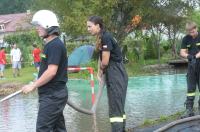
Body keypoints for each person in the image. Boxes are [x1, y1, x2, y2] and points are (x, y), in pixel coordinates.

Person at [21, 10, 68, 132]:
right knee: (59, 129)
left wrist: (33, 85)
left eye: (39, 25)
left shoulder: (54, 45)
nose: (37, 28)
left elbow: (52, 71)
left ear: (48, 25)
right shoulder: (50, 44)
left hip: (53, 95)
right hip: (52, 94)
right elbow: (47, 70)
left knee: (43, 129)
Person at [87, 16, 128, 132]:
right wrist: (99, 73)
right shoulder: (103, 36)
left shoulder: (105, 37)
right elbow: (102, 58)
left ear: (98, 26)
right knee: (118, 107)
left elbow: (105, 61)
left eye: (90, 26)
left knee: (115, 110)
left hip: (116, 73)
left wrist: (101, 70)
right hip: (115, 72)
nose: (88, 29)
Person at [180, 21, 200, 118]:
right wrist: (189, 56)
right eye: (189, 32)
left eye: (192, 31)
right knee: (190, 87)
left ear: (196, 28)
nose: (191, 34)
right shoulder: (185, 39)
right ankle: (189, 110)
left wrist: (196, 57)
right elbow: (182, 52)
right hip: (192, 65)